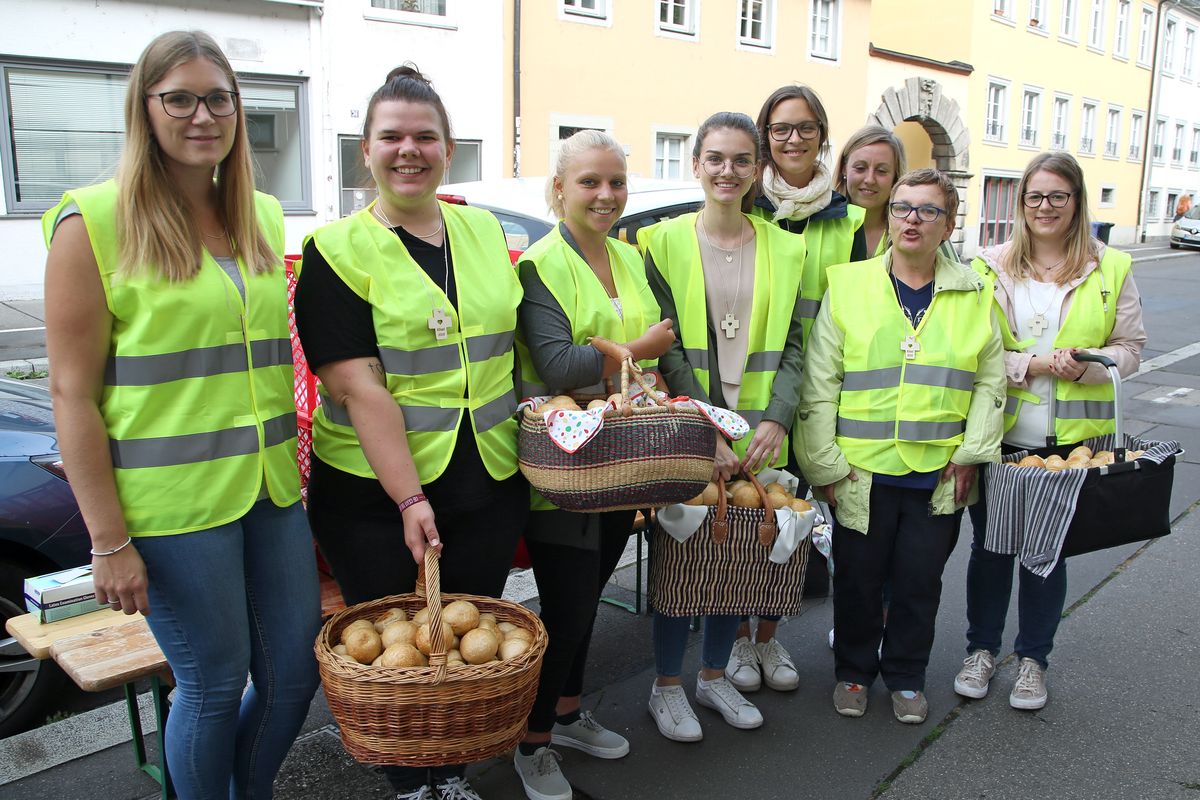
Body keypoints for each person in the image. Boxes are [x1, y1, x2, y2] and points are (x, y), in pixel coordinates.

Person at [42, 30, 320, 798]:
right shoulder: (92, 222)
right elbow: (71, 394)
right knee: (212, 683)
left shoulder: (261, 214)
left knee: (294, 675)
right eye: (180, 99)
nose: (203, 116)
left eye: (219, 99)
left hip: (270, 491)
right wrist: (109, 541)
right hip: (171, 509)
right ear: (146, 107)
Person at [294, 66, 526, 800]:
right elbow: (357, 387)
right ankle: (410, 782)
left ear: (448, 149)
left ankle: (449, 774)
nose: (409, 150)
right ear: (365, 150)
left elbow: (510, 347)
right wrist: (407, 499)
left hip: (487, 477)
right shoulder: (335, 250)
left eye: (425, 136)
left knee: (465, 644)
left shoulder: (483, 230)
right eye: (391, 136)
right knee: (395, 647)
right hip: (375, 496)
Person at [796, 168, 1005, 725]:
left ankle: (907, 677)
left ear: (949, 225)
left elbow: (991, 382)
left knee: (919, 584)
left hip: (939, 472)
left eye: (928, 210)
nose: (912, 219)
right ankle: (853, 672)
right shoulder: (849, 285)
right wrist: (825, 466)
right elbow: (820, 382)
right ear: (888, 218)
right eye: (901, 208)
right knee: (857, 582)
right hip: (860, 471)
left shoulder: (975, 293)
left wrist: (970, 454)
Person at [512, 130, 676, 800]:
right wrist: (640, 347)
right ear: (559, 189)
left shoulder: (628, 256)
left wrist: (641, 362)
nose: (606, 195)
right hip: (567, 468)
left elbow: (663, 345)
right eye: (589, 182)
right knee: (568, 608)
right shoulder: (540, 265)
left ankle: (568, 713)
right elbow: (557, 364)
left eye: (616, 182)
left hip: (623, 459)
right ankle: (531, 744)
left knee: (587, 603)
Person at [955, 151, 1145, 711]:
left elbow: (1130, 350)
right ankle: (981, 651)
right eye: (1035, 196)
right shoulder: (988, 266)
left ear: (1077, 202)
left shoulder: (1112, 267)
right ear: (1021, 203)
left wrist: (1088, 365)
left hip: (1072, 445)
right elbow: (970, 349)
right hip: (1001, 435)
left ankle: (1033, 661)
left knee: (1047, 552)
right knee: (991, 549)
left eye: (1058, 196)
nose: (1045, 206)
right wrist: (1032, 365)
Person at [643, 111, 807, 741]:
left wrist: (776, 419)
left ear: (758, 169)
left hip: (760, 432)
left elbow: (796, 344)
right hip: (692, 430)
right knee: (680, 560)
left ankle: (713, 677)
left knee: (735, 556)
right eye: (715, 158)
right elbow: (666, 348)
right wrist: (704, 428)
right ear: (696, 164)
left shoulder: (786, 248)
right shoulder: (661, 243)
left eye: (741, 159)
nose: (727, 171)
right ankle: (666, 687)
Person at [723, 84, 867, 692]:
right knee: (741, 518)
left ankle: (768, 636)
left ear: (822, 135)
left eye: (806, 127)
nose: (793, 139)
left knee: (792, 519)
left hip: (820, 392)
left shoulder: (847, 219)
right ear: (765, 137)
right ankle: (733, 637)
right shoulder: (744, 205)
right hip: (753, 384)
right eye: (780, 128)